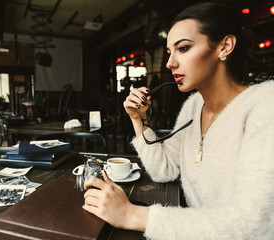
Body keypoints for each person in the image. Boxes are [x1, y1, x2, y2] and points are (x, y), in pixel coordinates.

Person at [82, 2, 274, 239]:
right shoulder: (194, 106)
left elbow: (255, 224)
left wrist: (132, 215)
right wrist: (139, 121)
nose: (170, 63)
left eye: (183, 48)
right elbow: (165, 169)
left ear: (224, 46)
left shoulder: (266, 104)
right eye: (170, 52)